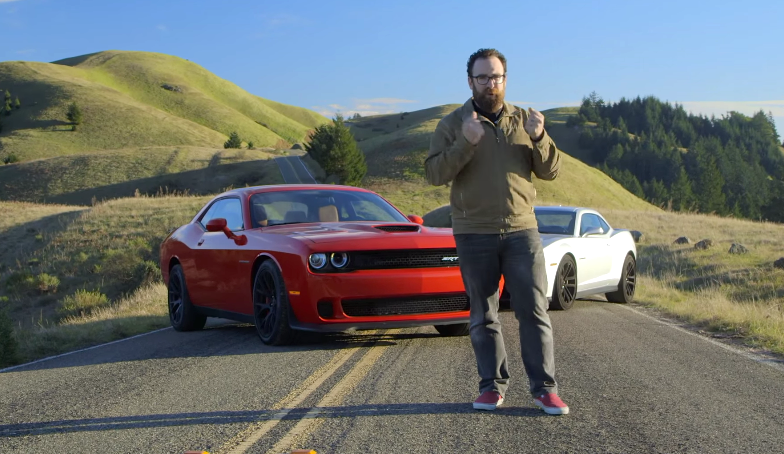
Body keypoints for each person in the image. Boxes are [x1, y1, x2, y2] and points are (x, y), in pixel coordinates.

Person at [424, 48, 569, 415]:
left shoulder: (524, 120)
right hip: (474, 233)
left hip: (523, 231)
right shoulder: (451, 125)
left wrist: (540, 138)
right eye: (484, 77)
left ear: (505, 79)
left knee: (534, 312)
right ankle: (491, 387)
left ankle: (545, 390)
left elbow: (551, 171)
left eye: (497, 77)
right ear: (470, 81)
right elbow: (435, 174)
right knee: (483, 314)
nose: (492, 84)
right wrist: (465, 143)